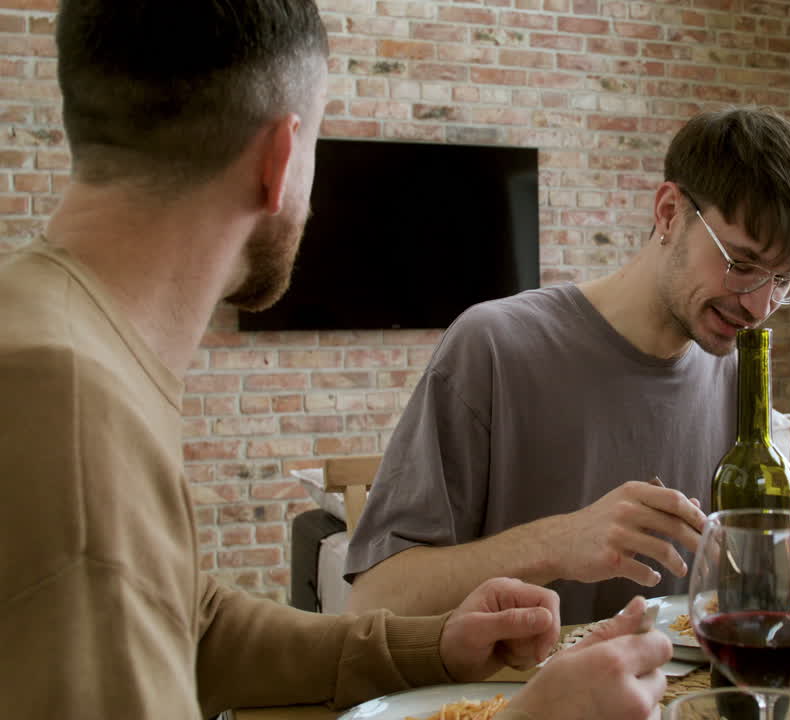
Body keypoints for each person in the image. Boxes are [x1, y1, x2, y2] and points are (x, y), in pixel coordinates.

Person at [0, 2, 669, 718]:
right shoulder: (65, 405)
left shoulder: (60, 342)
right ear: (280, 159)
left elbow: (195, 626)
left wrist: (434, 648)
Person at [347, 107, 790, 624]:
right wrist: (556, 543)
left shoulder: (737, 377)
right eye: (741, 263)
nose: (759, 307)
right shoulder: (493, 347)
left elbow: (725, 599)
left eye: (783, 281)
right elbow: (374, 601)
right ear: (669, 213)